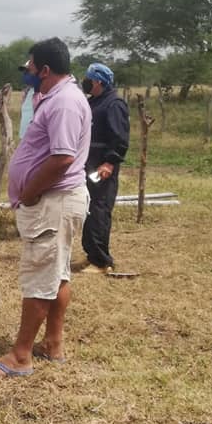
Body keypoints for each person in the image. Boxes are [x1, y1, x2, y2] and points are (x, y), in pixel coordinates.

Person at [0, 38, 91, 378]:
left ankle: (20, 356)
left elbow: (62, 157)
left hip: (53, 201)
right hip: (54, 201)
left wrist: (30, 192)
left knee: (41, 276)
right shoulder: (54, 97)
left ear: (44, 69)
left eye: (30, 66)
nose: (25, 71)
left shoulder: (65, 102)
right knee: (57, 273)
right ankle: (53, 343)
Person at [79, 62, 130, 273]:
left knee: (99, 209)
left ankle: (101, 261)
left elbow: (119, 137)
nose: (85, 82)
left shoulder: (114, 104)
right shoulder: (94, 101)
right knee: (87, 208)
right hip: (88, 161)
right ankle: (91, 254)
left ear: (98, 82)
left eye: (88, 79)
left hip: (102, 164)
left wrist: (109, 162)